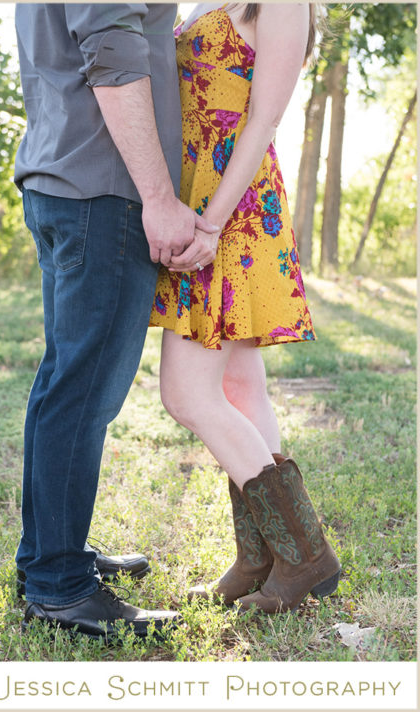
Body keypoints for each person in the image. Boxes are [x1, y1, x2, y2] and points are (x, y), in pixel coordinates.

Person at [13, 3, 218, 638]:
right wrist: (158, 198)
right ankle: (60, 589)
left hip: (64, 178)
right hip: (102, 191)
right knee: (81, 394)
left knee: (63, 383)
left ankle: (49, 558)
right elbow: (111, 50)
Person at [150, 3, 339, 614]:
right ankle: (262, 555)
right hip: (199, 194)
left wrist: (210, 222)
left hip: (231, 206)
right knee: (238, 387)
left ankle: (304, 553)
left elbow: (264, 121)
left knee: (186, 394)